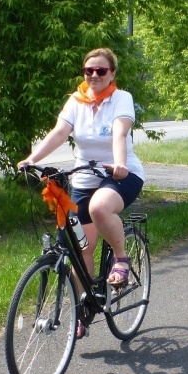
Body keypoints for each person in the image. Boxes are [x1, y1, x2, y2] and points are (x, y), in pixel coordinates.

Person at [17, 48, 145, 338]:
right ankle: (82, 309)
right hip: (85, 178)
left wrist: (120, 164)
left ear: (112, 73)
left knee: (100, 208)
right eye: (89, 71)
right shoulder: (77, 101)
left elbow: (119, 133)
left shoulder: (120, 99)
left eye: (101, 71)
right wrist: (32, 159)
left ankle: (122, 259)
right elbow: (59, 133)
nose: (94, 76)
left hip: (121, 175)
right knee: (81, 247)